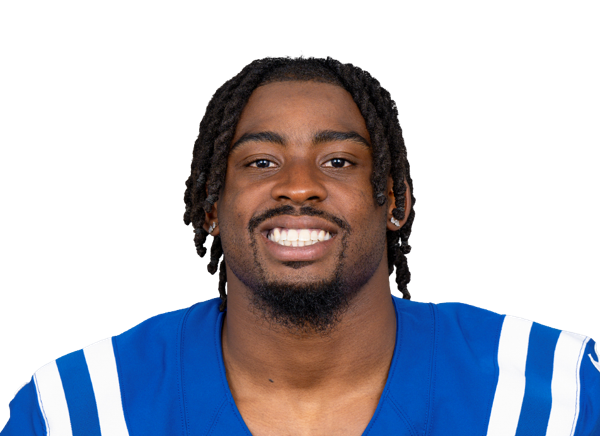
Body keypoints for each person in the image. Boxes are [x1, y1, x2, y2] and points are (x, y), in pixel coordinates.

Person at [2, 54, 599, 436]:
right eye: (261, 161)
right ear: (210, 206)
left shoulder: (555, 391)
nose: (298, 186)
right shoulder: (79, 409)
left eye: (338, 161)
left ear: (395, 201)